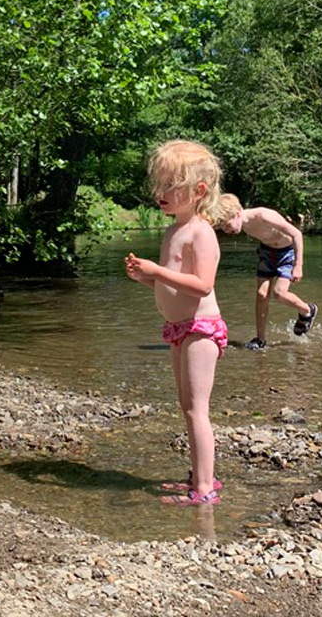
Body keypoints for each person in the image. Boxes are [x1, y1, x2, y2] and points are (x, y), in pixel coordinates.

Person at [125, 140, 228, 506]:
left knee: (197, 409)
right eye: (158, 185)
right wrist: (147, 277)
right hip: (179, 328)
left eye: (171, 186)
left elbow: (203, 285)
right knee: (187, 406)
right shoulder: (173, 231)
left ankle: (204, 489)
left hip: (201, 328)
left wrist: (156, 270)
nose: (160, 193)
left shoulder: (201, 233)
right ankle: (199, 474)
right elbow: (171, 279)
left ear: (198, 191)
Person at [215, 194, 318, 349]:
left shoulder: (263, 216)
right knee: (262, 294)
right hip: (267, 253)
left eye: (227, 226)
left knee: (279, 293)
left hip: (287, 254)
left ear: (237, 214)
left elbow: (296, 234)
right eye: (223, 228)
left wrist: (298, 265)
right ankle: (260, 339)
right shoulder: (241, 221)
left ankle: (307, 310)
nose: (226, 230)